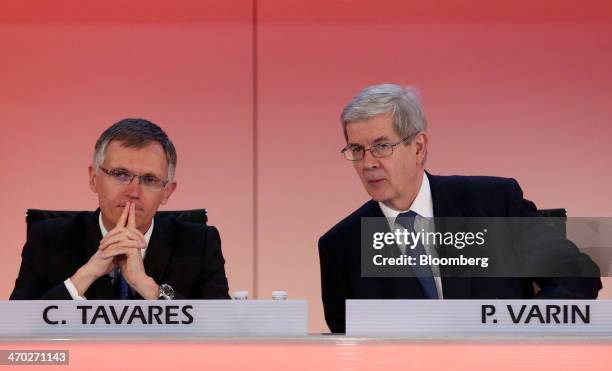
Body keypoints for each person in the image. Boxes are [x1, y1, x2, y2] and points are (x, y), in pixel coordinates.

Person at [318, 84, 602, 333]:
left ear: (418, 147)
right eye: (356, 150)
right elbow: (350, 348)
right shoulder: (340, 247)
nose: (368, 163)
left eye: (381, 146)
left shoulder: (492, 204)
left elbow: (577, 275)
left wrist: (516, 331)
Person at [10, 118, 230, 300]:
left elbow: (221, 328)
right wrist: (84, 276)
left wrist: (147, 287)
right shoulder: (48, 239)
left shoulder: (199, 244)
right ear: (94, 179)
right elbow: (18, 327)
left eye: (150, 179)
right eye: (120, 174)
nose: (133, 191)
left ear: (167, 192)